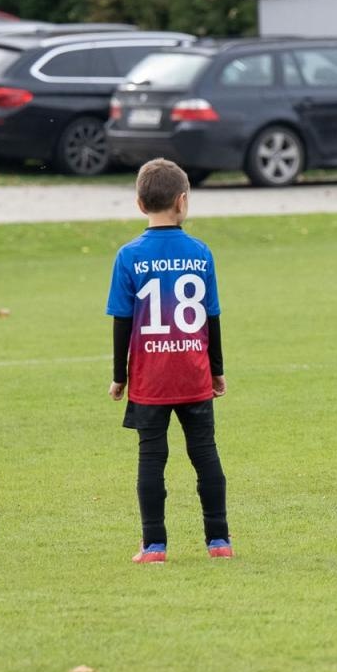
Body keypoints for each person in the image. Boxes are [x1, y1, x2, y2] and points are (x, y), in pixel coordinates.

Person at [105, 158, 231, 563]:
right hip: (193, 374)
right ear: (182, 201)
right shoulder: (201, 253)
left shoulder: (128, 256)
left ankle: (154, 545)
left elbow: (122, 322)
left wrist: (119, 376)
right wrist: (217, 370)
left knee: (151, 457)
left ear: (140, 205)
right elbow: (211, 318)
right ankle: (219, 540)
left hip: (151, 378)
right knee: (205, 453)